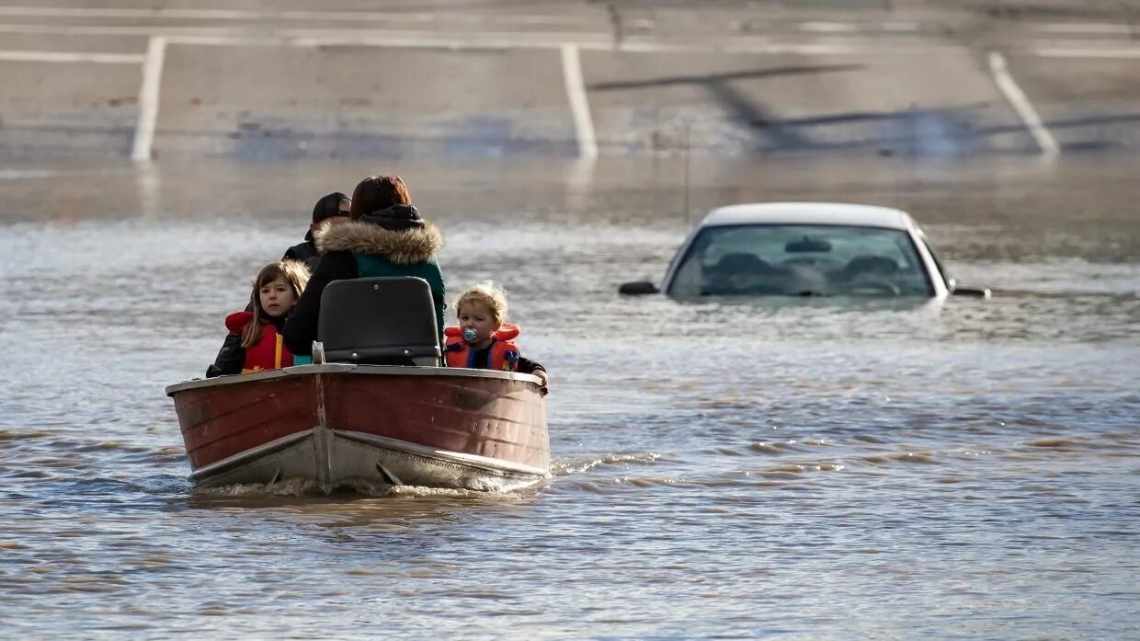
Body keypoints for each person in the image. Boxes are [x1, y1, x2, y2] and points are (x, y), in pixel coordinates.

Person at [283, 175, 446, 356]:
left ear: (357, 212)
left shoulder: (343, 257)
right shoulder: (430, 261)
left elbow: (297, 337)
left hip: (355, 374)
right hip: (423, 373)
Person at [207, 260, 310, 377]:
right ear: (258, 298)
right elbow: (221, 374)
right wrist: (234, 337)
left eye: (280, 289)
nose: (272, 296)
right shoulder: (246, 330)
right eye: (265, 291)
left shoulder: (308, 329)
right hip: (253, 392)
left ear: (296, 296)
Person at [443, 282, 548, 392]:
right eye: (465, 318)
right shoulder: (451, 349)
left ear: (496, 324)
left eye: (478, 319)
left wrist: (538, 372)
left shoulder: (505, 353)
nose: (470, 323)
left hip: (494, 398)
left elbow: (528, 366)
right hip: (459, 396)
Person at [282, 192, 351, 270]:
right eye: (333, 228)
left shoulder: (360, 254)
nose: (340, 234)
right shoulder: (296, 255)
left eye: (347, 228)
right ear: (314, 228)